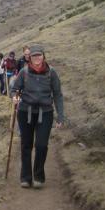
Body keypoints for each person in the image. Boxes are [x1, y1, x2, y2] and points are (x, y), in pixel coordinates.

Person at [11, 45, 64, 189]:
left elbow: (58, 94)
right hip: (25, 112)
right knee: (26, 145)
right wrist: (14, 97)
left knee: (41, 145)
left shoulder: (51, 72)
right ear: (30, 58)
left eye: (39, 55)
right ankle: (26, 178)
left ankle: (39, 176)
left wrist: (61, 116)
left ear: (43, 56)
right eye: (34, 56)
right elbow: (15, 89)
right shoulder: (24, 72)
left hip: (45, 113)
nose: (37, 58)